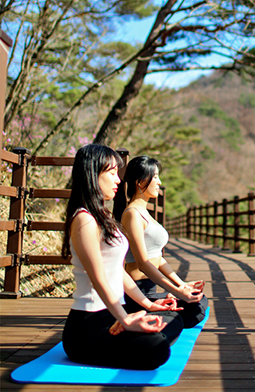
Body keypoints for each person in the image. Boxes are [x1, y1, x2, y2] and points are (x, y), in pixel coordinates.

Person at [61, 144, 184, 370]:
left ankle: (128, 327)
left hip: (112, 315)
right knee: (157, 347)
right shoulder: (84, 220)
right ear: (92, 173)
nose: (118, 180)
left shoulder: (104, 217)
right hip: (88, 325)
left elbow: (117, 270)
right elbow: (99, 278)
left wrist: (149, 304)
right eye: (111, 173)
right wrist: (126, 320)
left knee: (173, 320)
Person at [121, 155, 208, 329]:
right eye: (155, 177)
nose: (159, 182)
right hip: (137, 292)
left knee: (199, 300)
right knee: (193, 309)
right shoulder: (132, 214)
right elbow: (143, 263)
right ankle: (154, 314)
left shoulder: (144, 213)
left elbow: (158, 258)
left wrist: (181, 284)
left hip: (152, 288)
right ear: (140, 182)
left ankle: (165, 311)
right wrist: (177, 292)